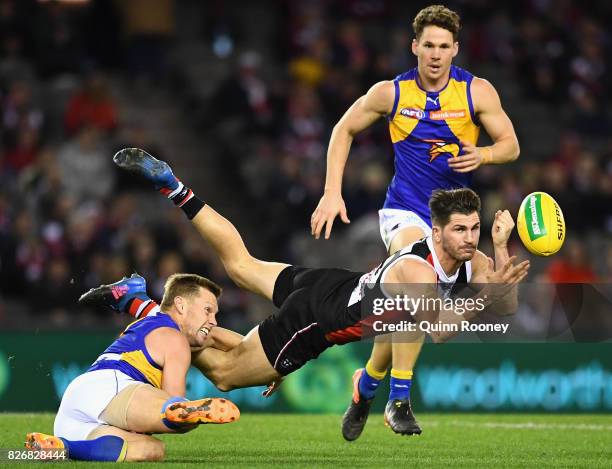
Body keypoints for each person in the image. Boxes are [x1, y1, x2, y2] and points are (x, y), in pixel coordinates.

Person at [83, 148, 528, 429]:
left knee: (241, 265)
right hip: (316, 322)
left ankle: (175, 188)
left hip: (328, 284)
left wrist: (504, 250)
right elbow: (443, 330)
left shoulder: (474, 257)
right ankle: (139, 302)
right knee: (223, 374)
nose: (471, 238)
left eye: (475, 229)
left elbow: (504, 304)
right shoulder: (417, 270)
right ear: (437, 231)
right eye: (461, 231)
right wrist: (270, 354)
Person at [309, 4, 520, 437]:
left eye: (444, 46)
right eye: (429, 45)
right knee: (418, 277)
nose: (436, 54)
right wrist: (332, 192)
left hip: (456, 218)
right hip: (405, 211)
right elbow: (342, 130)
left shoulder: (477, 92)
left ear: (455, 49)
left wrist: (485, 154)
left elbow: (511, 145)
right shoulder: (391, 93)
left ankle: (366, 384)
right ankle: (399, 399)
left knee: (410, 308)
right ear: (415, 47)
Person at [25, 273, 240, 462]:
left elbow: (214, 336)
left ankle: (61, 447)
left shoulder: (153, 320)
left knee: (151, 449)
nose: (214, 321)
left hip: (74, 410)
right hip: (112, 387)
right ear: (181, 305)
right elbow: (171, 404)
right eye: (208, 311)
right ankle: (134, 297)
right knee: (179, 415)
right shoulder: (176, 340)